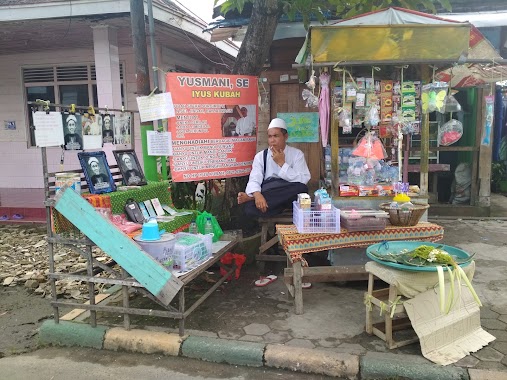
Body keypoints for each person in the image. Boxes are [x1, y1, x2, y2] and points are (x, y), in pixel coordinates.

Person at [237, 118, 310, 217]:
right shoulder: (261, 156)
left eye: (276, 136)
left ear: (286, 137)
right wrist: (257, 195)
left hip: (288, 191)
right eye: (270, 136)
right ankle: (277, 206)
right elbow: (254, 179)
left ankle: (253, 199)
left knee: (301, 188)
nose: (272, 140)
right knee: (249, 209)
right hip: (269, 190)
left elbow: (303, 179)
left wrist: (282, 164)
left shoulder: (297, 154)